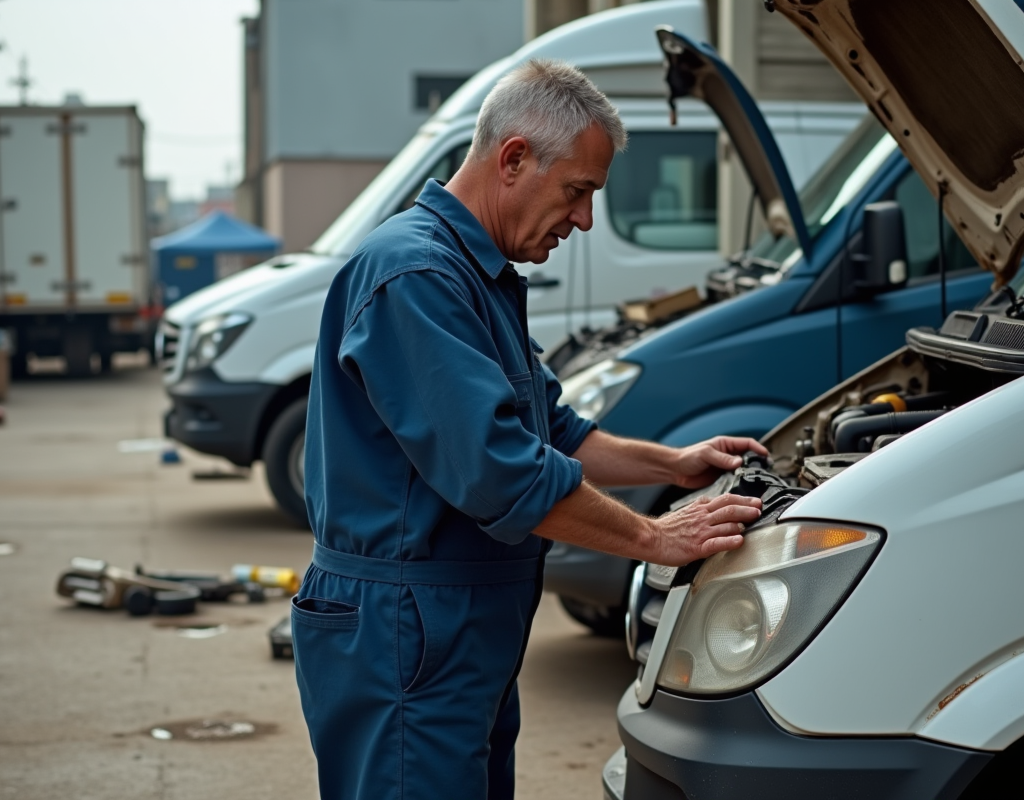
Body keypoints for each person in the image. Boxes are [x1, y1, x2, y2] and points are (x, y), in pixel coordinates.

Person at [294, 59, 766, 800]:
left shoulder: (472, 274)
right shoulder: (416, 277)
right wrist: (654, 538)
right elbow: (501, 471)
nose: (584, 219)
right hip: (406, 634)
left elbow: (556, 431)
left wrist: (672, 465)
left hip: (455, 634)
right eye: (577, 191)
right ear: (513, 159)